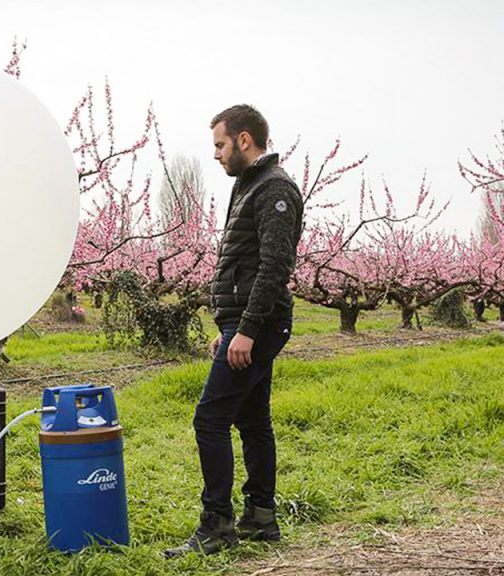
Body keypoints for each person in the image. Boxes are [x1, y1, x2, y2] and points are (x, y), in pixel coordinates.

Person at [165, 104, 304, 558]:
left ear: (245, 140)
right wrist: (227, 327)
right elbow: (244, 262)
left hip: (259, 324)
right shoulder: (250, 186)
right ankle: (261, 517)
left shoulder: (275, 189)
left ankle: (217, 524)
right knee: (252, 419)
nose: (216, 155)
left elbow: (274, 266)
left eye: (220, 145)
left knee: (210, 419)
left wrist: (244, 331)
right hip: (245, 324)